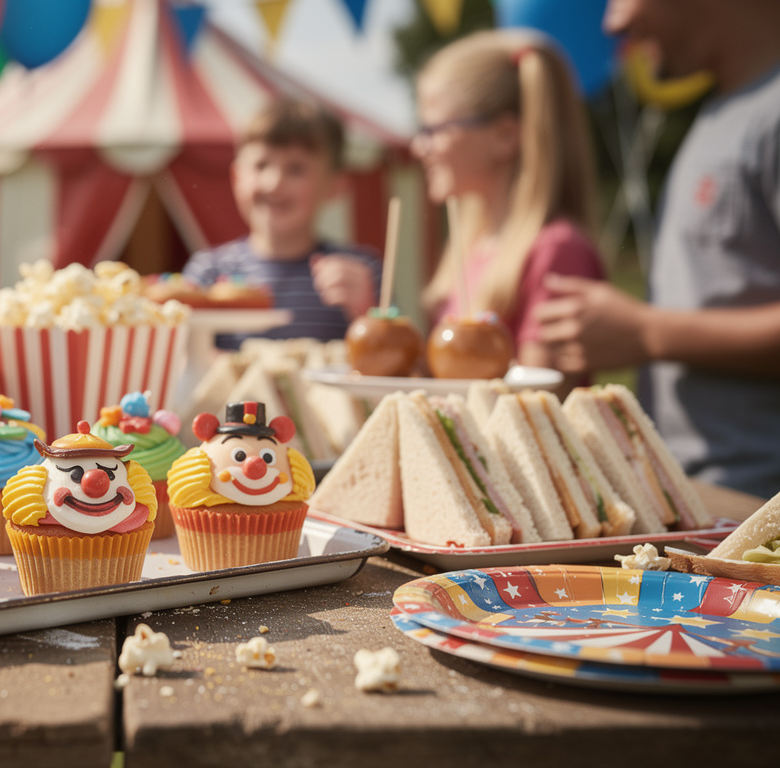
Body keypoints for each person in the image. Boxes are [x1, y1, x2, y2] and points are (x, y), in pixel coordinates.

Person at [536, 0, 780, 498]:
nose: (613, 22)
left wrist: (647, 332)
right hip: (705, 494)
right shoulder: (724, 111)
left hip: (758, 505)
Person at [413, 30, 604, 374]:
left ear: (504, 136)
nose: (418, 147)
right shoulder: (473, 244)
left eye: (434, 130)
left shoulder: (556, 251)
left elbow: (541, 396)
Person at [182, 97, 380, 349]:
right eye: (261, 165)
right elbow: (182, 357)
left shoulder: (362, 273)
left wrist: (366, 313)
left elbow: (398, 362)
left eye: (296, 169)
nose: (274, 183)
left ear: (335, 186)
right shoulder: (208, 273)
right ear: (236, 177)